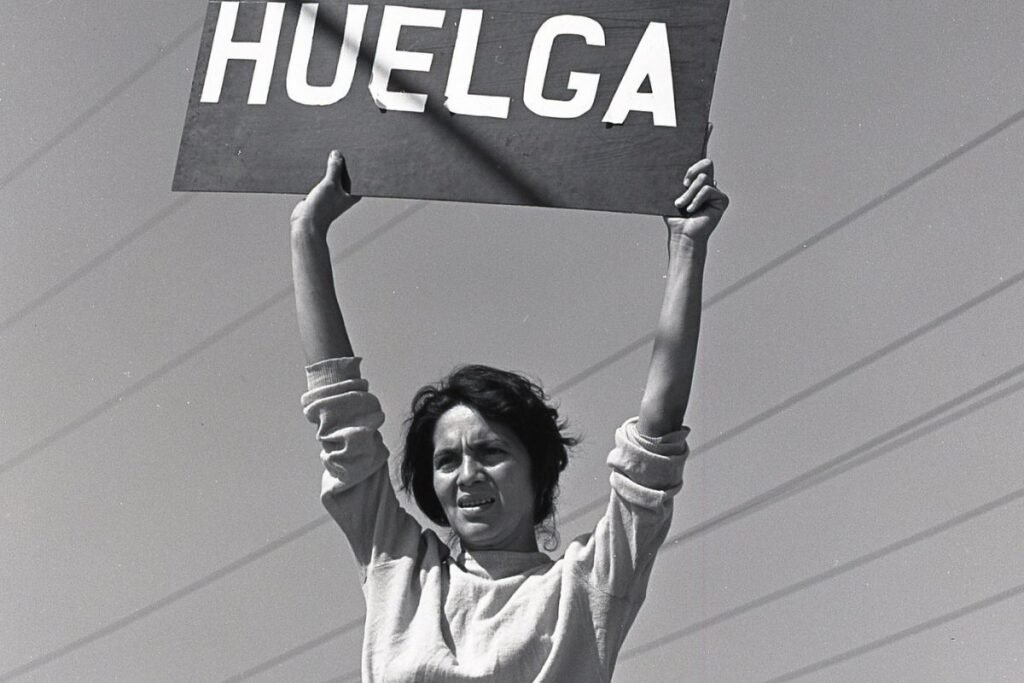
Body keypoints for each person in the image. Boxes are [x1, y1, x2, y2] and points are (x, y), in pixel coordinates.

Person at [291, 150, 728, 681]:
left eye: (491, 451)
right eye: (447, 460)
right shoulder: (401, 571)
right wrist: (308, 232)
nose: (468, 475)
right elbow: (341, 416)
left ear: (538, 468)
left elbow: (654, 446)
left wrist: (687, 246)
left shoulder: (584, 587)